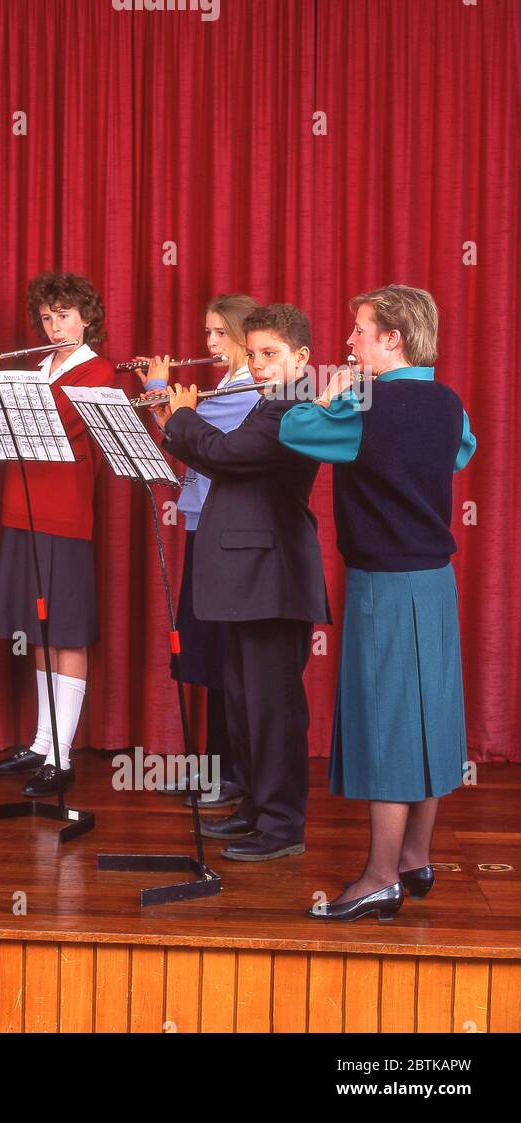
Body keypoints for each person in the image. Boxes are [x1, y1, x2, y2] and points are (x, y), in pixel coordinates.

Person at [280, 285, 475, 921]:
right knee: (430, 715)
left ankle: (379, 876)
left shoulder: (363, 403)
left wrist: (332, 390)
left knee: (387, 724)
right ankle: (417, 856)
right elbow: (463, 449)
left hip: (382, 586)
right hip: (435, 582)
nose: (348, 343)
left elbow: (295, 427)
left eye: (359, 332)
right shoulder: (447, 400)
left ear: (391, 340)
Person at [156, 303, 330, 861]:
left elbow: (227, 454)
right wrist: (177, 425)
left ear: (301, 358)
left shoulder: (292, 407)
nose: (255, 365)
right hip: (245, 575)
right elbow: (224, 458)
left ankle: (282, 828)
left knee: (273, 708)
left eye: (269, 355)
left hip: (272, 576)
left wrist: (180, 415)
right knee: (244, 703)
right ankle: (255, 808)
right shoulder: (268, 402)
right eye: (251, 354)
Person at [0, 272, 114, 796]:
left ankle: (61, 755)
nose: (54, 326)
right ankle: (41, 742)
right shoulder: (39, 367)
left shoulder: (97, 371)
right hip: (22, 509)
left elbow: (55, 422)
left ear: (87, 320)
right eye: (47, 317)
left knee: (66, 630)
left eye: (65, 316)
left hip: (64, 514)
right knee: (37, 630)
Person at [137, 294, 260, 807]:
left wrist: (159, 390)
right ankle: (212, 769)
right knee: (209, 653)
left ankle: (232, 775)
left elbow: (184, 434)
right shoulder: (225, 385)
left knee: (226, 656)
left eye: (217, 334)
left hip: (224, 530)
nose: (208, 344)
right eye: (207, 333)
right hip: (202, 522)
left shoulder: (247, 389)